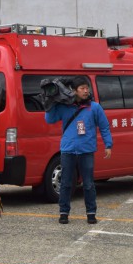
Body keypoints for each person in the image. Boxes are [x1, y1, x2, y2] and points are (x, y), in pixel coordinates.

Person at [44, 76, 112, 224]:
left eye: (87, 88)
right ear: (74, 91)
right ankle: (63, 213)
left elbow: (105, 126)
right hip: (68, 150)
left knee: (88, 184)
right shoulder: (64, 107)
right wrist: (50, 103)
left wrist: (108, 144)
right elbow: (49, 119)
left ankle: (91, 213)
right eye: (82, 89)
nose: (86, 91)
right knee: (66, 183)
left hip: (86, 150)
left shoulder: (94, 107)